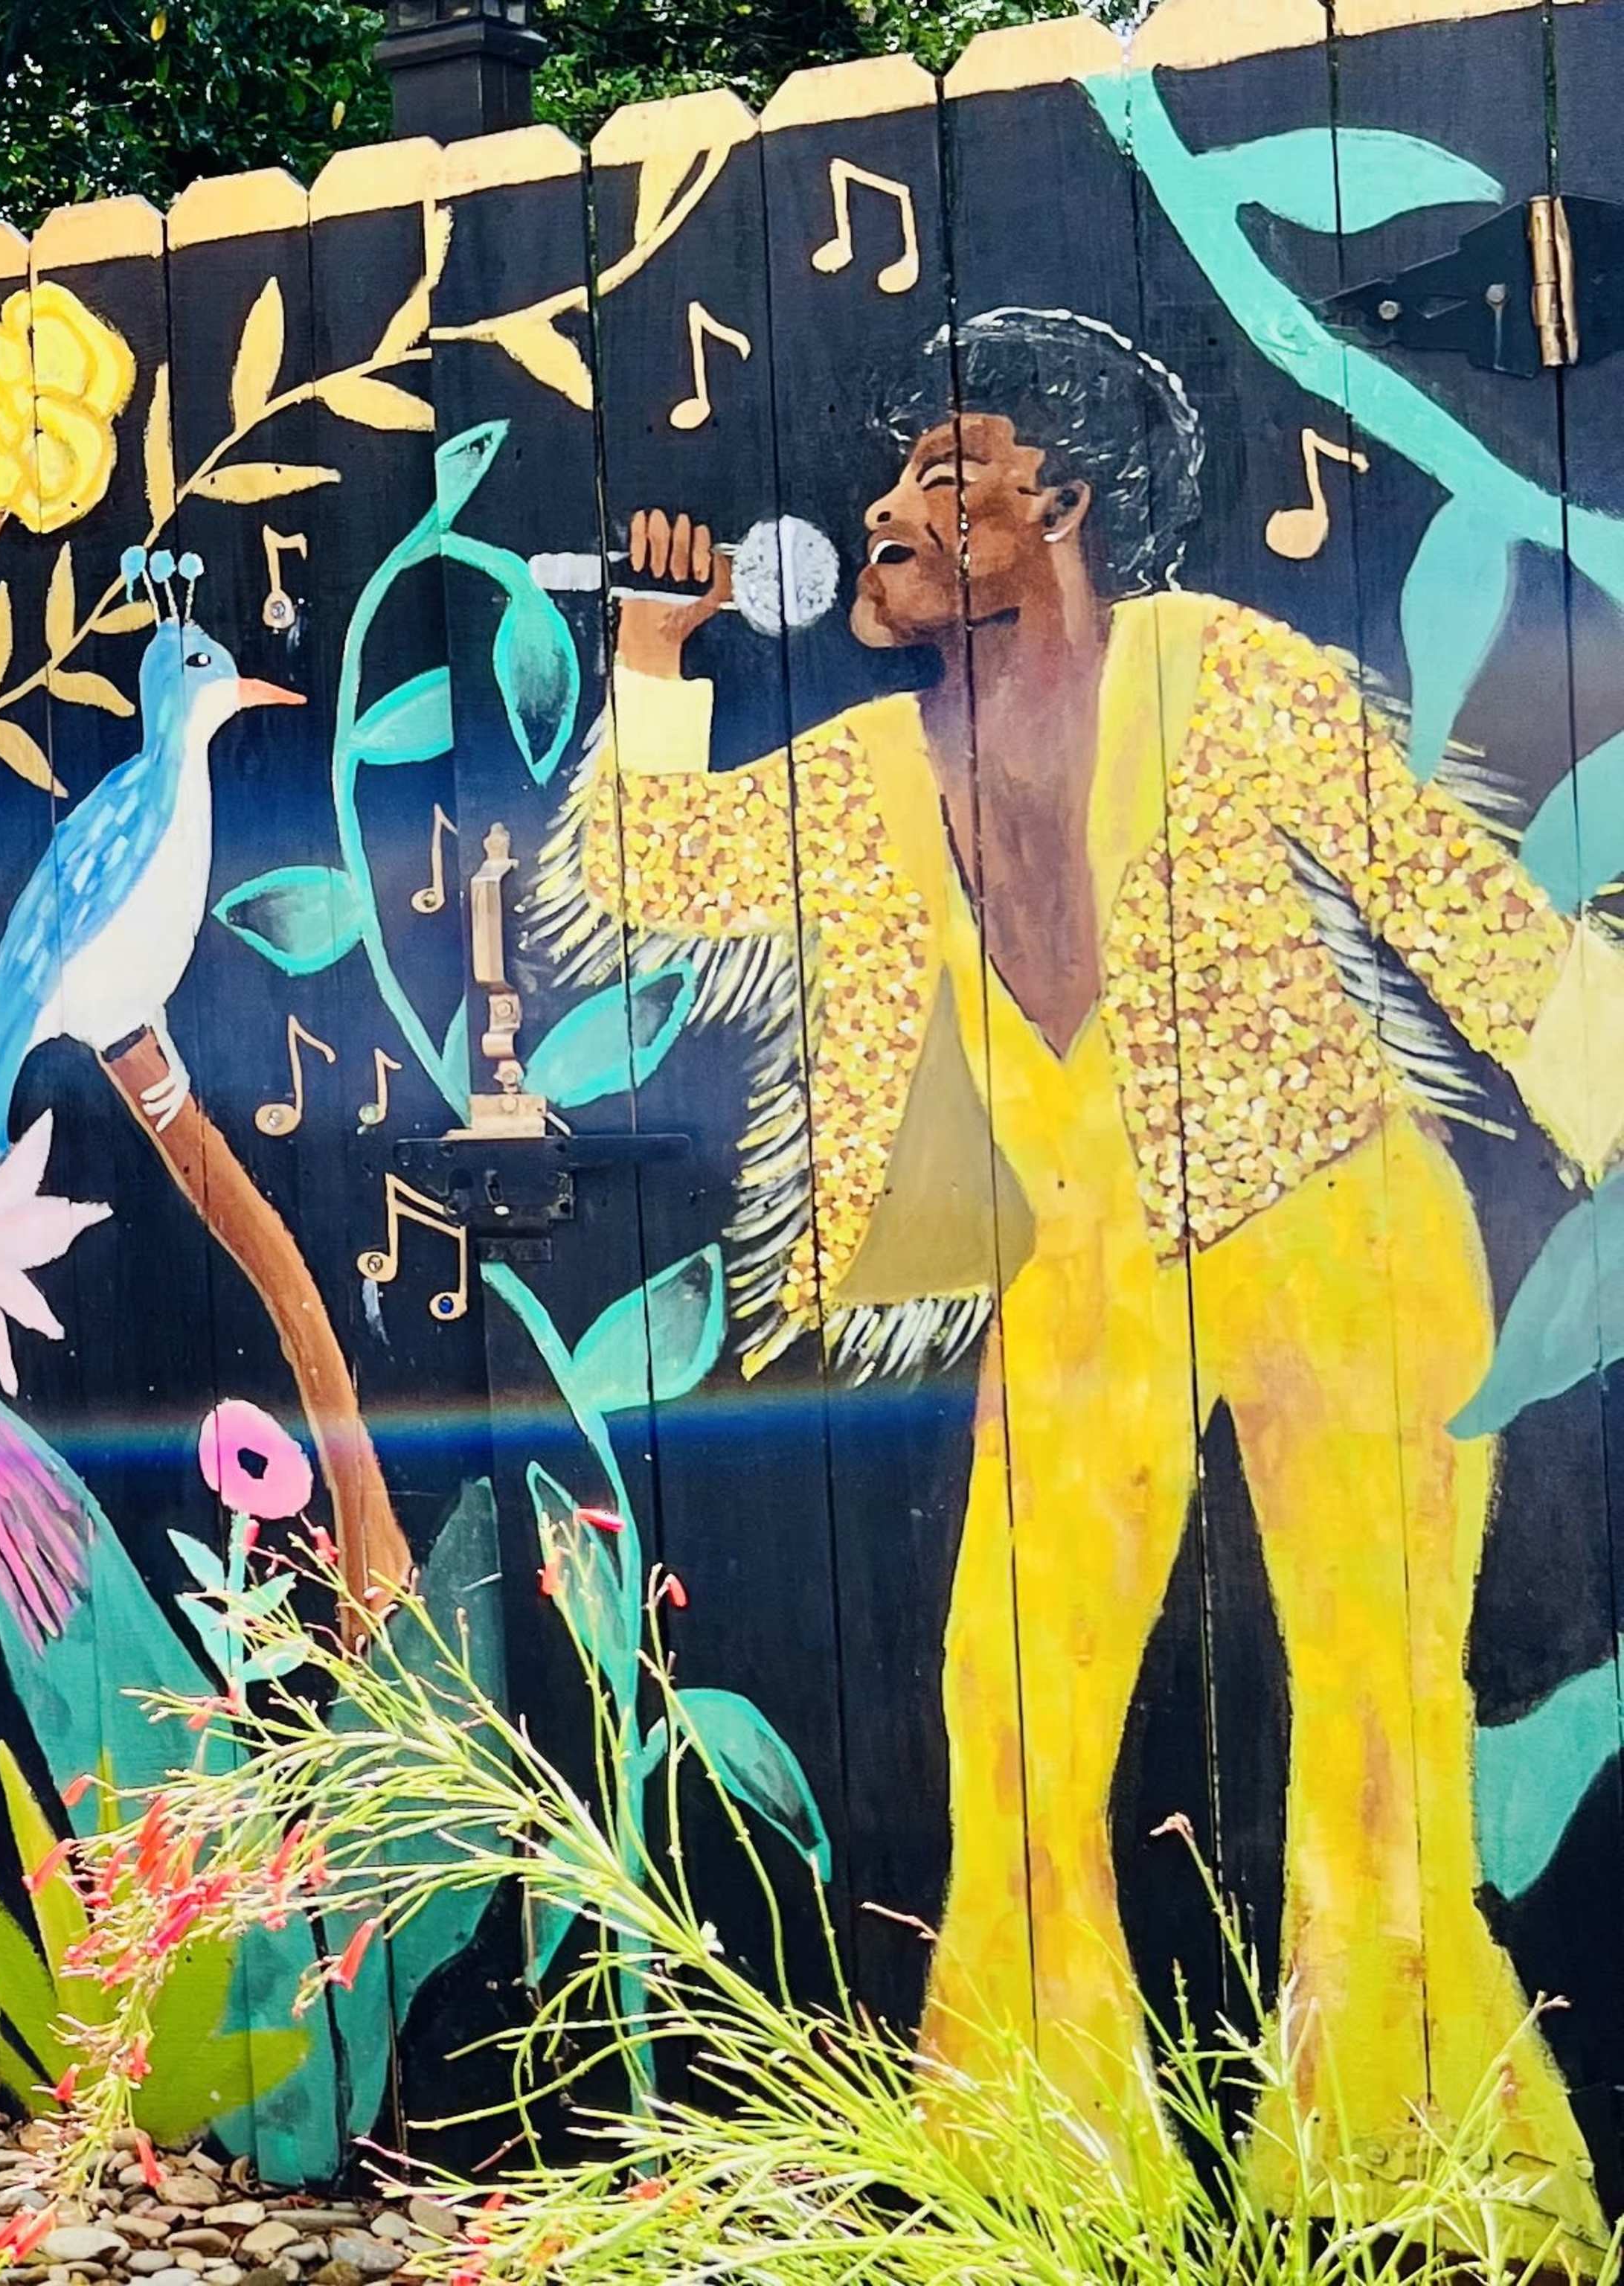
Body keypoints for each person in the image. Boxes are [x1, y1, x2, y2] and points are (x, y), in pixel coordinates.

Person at [536, 306, 1624, 2200]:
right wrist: (648, 651)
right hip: (1085, 1274)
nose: (886, 512)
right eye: (892, 477)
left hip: (1344, 1236)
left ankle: (1412, 2174)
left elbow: (1456, 906)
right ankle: (1040, 2165)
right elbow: (636, 880)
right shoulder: (873, 780)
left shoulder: (1218, 673)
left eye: (947, 480)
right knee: (1009, 1714)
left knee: (1375, 1726)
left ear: (1077, 514)